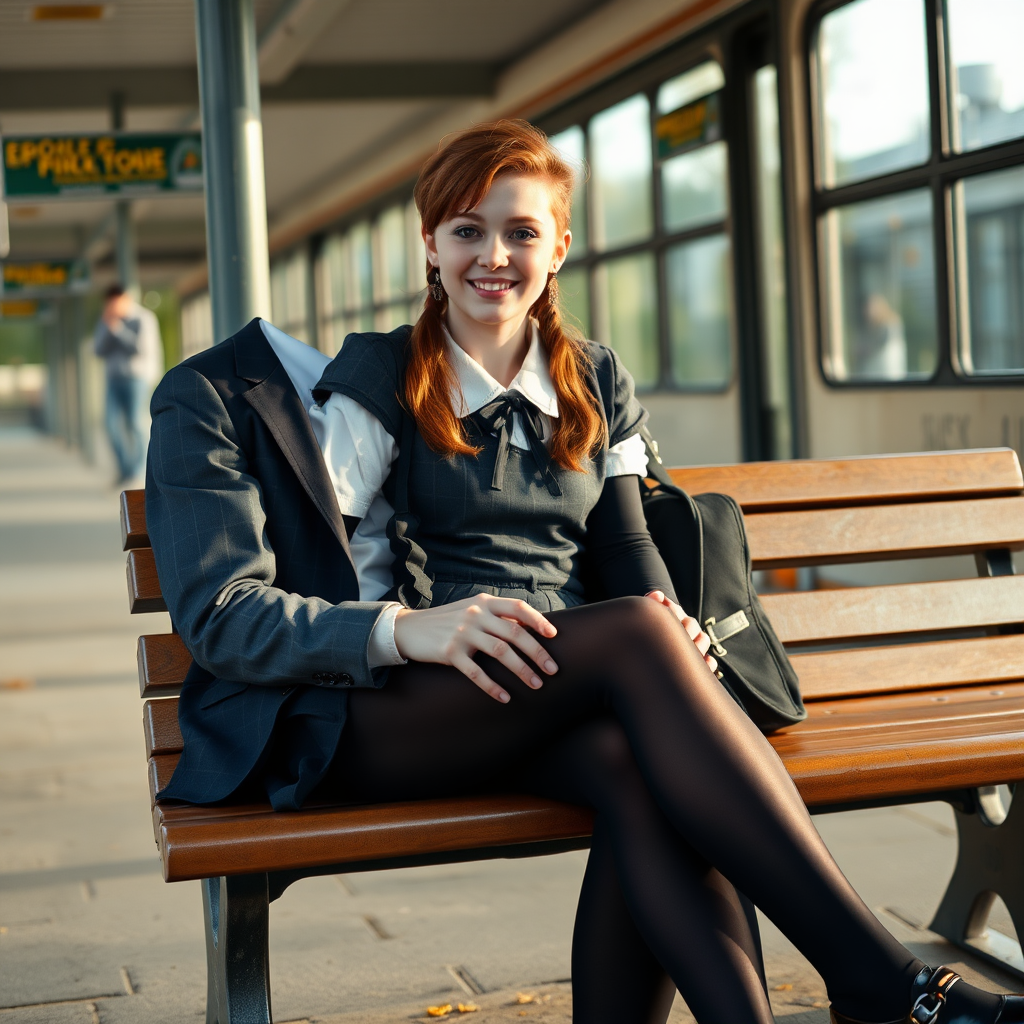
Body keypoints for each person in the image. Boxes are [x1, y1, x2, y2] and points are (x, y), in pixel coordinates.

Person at [146, 121, 1023, 1024]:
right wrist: (412, 628)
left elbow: (625, 546)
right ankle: (881, 984)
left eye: (521, 232)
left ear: (560, 246)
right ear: (432, 246)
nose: (494, 255)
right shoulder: (374, 377)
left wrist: (676, 620)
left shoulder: (592, 376)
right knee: (643, 648)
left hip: (547, 680)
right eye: (466, 230)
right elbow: (259, 593)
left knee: (639, 766)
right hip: (390, 703)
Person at [94, 284, 163, 484]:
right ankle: (125, 469)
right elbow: (98, 350)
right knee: (110, 424)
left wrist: (118, 330)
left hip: (137, 378)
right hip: (113, 378)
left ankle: (139, 471)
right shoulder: (106, 320)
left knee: (135, 422)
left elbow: (142, 348)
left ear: (125, 299)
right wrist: (108, 328)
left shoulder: (143, 318)